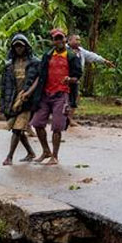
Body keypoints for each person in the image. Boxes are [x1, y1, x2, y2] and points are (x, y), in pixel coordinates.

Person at [31, 29, 82, 166]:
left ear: (65, 40)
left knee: (57, 127)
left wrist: (69, 79)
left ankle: (55, 156)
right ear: (53, 41)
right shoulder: (47, 55)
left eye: (61, 38)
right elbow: (40, 75)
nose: (59, 41)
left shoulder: (71, 56)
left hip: (62, 94)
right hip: (45, 94)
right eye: (56, 39)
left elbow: (77, 76)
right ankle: (46, 151)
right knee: (37, 123)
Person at [0, 34, 39, 166]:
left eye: (21, 46)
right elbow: (4, 86)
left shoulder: (34, 63)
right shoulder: (9, 65)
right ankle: (31, 153)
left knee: (17, 129)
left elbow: (39, 80)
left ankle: (9, 157)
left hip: (27, 100)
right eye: (16, 46)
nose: (19, 48)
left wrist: (29, 93)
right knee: (18, 129)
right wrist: (3, 103)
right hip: (12, 100)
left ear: (26, 47)